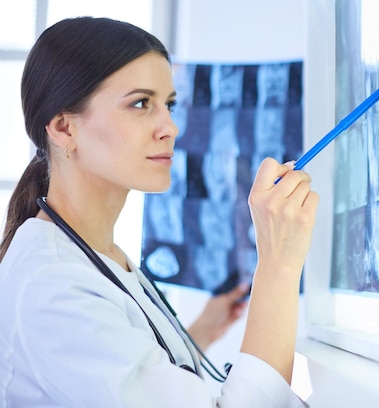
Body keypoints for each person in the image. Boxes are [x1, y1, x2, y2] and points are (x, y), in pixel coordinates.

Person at [0, 16, 318, 407]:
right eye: (140, 103)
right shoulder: (51, 286)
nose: (170, 127)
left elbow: (125, 372)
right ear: (65, 129)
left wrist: (201, 331)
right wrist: (278, 265)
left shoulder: (96, 253)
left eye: (168, 104)